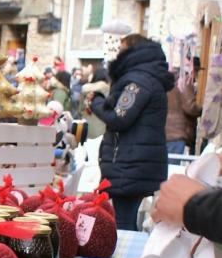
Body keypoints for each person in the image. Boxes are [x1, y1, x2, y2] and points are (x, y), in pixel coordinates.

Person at [87, 33, 175, 230]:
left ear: (132, 52)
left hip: (130, 164)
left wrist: (96, 102)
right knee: (125, 219)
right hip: (136, 162)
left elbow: (119, 117)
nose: (118, 53)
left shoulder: (138, 81)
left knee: (123, 224)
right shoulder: (147, 78)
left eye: (121, 48)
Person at [165, 70, 202, 162]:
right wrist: (203, 109)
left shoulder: (165, 83)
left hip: (165, 133)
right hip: (178, 134)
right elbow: (190, 108)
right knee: (173, 168)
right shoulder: (184, 82)